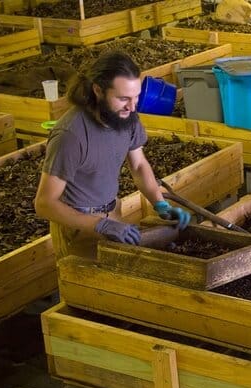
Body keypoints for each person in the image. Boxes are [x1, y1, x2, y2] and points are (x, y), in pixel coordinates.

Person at [35, 51, 190, 260]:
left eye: (136, 97)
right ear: (98, 90)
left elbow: (138, 165)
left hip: (113, 212)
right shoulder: (70, 135)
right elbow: (45, 203)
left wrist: (159, 202)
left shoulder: (127, 117)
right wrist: (100, 224)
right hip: (78, 226)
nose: (132, 106)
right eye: (123, 98)